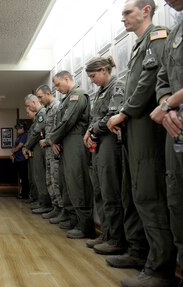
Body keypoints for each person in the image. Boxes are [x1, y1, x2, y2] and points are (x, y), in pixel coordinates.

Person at [106, 1, 177, 286]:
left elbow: (149, 82)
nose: (122, 18)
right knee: (133, 191)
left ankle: (160, 268)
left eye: (127, 12)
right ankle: (139, 252)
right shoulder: (139, 45)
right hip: (134, 125)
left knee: (149, 194)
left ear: (146, 10)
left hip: (148, 124)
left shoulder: (158, 37)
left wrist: (124, 112)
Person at [150, 0, 183, 283]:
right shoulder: (174, 33)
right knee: (176, 195)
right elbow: (163, 76)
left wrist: (169, 104)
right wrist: (166, 104)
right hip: (175, 124)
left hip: (172, 113)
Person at [83, 56, 126, 255]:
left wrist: (92, 131)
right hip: (99, 143)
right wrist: (90, 132)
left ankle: (116, 239)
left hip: (110, 142)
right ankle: (107, 233)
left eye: (93, 76)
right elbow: (94, 118)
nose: (92, 80)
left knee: (111, 192)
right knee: (99, 191)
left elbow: (112, 116)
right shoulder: (100, 93)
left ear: (103, 70)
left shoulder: (117, 86)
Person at [48, 70, 95, 239]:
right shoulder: (67, 98)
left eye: (58, 85)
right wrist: (57, 140)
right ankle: (72, 219)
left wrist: (53, 139)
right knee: (65, 182)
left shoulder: (78, 95)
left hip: (75, 141)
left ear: (67, 79)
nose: (57, 89)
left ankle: (85, 226)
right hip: (65, 142)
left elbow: (68, 120)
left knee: (77, 182)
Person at [37, 85, 63, 220]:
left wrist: (49, 141)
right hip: (48, 149)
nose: (40, 100)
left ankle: (61, 209)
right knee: (49, 179)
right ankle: (55, 207)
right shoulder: (48, 109)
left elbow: (58, 128)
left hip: (54, 148)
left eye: (41, 97)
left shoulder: (58, 106)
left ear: (48, 93)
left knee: (56, 179)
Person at [23, 94, 51, 214]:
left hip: (40, 148)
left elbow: (36, 132)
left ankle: (45, 204)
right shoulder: (40, 114)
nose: (29, 109)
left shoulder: (42, 113)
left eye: (29, 106)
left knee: (40, 176)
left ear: (34, 102)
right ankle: (41, 202)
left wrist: (26, 146)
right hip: (36, 149)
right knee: (37, 176)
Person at [11, 122, 29, 199]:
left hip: (22, 159)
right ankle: (22, 193)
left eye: (18, 129)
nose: (17, 131)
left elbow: (20, 146)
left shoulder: (25, 135)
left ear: (22, 128)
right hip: (17, 159)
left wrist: (13, 151)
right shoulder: (20, 136)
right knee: (21, 177)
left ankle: (25, 194)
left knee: (24, 177)